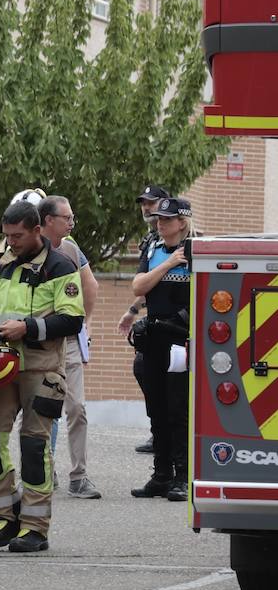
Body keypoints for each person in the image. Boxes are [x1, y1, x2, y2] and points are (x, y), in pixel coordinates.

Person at [0, 200, 84, 553]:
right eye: (6, 236)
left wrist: (28, 327)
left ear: (37, 230)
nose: (11, 242)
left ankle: (35, 528)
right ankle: (7, 516)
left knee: (34, 446)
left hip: (41, 368)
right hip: (2, 364)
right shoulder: (1, 262)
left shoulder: (61, 266)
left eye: (17, 236)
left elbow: (72, 319)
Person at [129, 197, 193, 502]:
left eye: (167, 219)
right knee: (156, 409)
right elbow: (138, 286)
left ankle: (183, 476)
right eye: (158, 219)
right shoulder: (154, 249)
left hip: (180, 339)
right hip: (154, 336)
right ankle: (161, 474)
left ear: (182, 221)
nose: (161, 223)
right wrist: (168, 264)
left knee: (177, 410)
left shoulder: (196, 251)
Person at [39, 195, 102, 499]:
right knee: (40, 409)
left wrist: (84, 323)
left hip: (69, 341)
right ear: (48, 220)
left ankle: (79, 476)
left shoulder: (71, 249)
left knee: (76, 407)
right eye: (67, 218)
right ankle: (42, 468)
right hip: (39, 341)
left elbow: (91, 286)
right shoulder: (27, 250)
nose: (71, 223)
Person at [119, 184, 171, 456]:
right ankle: (158, 431)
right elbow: (146, 283)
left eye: (152, 203)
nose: (146, 208)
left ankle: (170, 433)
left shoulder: (185, 239)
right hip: (155, 319)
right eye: (143, 203)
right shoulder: (151, 241)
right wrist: (132, 310)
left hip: (180, 323)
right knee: (144, 369)